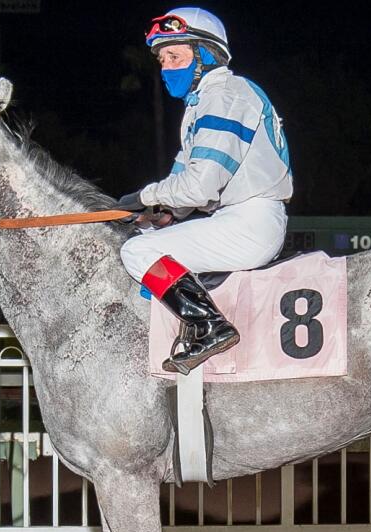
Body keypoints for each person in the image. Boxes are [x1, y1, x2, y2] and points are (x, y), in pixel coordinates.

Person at [115, 6, 293, 374]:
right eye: (162, 59)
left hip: (250, 221)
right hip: (237, 217)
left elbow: (199, 187)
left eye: (175, 56)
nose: (166, 68)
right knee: (147, 233)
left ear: (206, 56)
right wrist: (163, 212)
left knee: (136, 251)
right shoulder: (203, 104)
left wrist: (147, 196)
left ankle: (209, 325)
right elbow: (185, 179)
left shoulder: (226, 95)